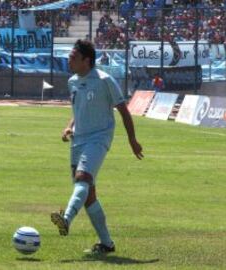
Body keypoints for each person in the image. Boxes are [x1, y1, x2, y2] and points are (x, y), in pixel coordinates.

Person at [51, 39, 143, 255]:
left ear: (87, 60)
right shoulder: (73, 81)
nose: (69, 60)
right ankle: (107, 244)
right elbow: (78, 109)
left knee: (82, 179)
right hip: (78, 140)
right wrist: (69, 126)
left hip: (99, 138)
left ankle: (66, 219)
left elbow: (123, 110)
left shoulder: (104, 80)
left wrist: (132, 140)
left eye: (73, 57)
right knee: (88, 195)